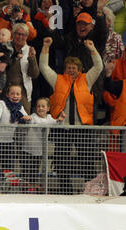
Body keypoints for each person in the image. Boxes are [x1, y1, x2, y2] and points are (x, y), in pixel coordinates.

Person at [40, 37, 103, 193]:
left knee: (87, 160)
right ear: (64, 69)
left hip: (83, 128)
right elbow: (43, 66)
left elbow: (99, 66)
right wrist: (45, 48)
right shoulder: (57, 80)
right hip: (63, 129)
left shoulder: (87, 80)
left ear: (79, 69)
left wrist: (92, 49)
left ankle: (90, 190)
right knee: (61, 162)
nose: (71, 70)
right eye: (68, 67)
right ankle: (65, 190)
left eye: (74, 67)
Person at [0, 84, 30, 192]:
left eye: (17, 94)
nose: (15, 96)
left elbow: (27, 118)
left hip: (8, 142)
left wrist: (28, 118)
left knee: (8, 170)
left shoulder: (20, 107)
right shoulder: (1, 103)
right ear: (8, 94)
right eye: (12, 93)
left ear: (21, 95)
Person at [21, 97, 65, 192]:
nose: (40, 108)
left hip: (39, 151)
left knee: (35, 170)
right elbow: (30, 121)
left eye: (43, 106)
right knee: (26, 170)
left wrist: (60, 119)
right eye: (38, 106)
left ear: (48, 108)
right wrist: (27, 119)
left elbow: (56, 123)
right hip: (27, 150)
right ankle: (24, 189)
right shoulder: (33, 116)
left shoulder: (49, 118)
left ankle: (32, 188)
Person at [6, 23, 39, 114]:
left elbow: (35, 74)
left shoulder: (29, 50)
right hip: (6, 90)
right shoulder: (5, 47)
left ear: (27, 36)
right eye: (18, 34)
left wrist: (32, 59)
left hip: (23, 92)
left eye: (23, 35)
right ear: (13, 34)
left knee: (23, 120)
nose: (20, 37)